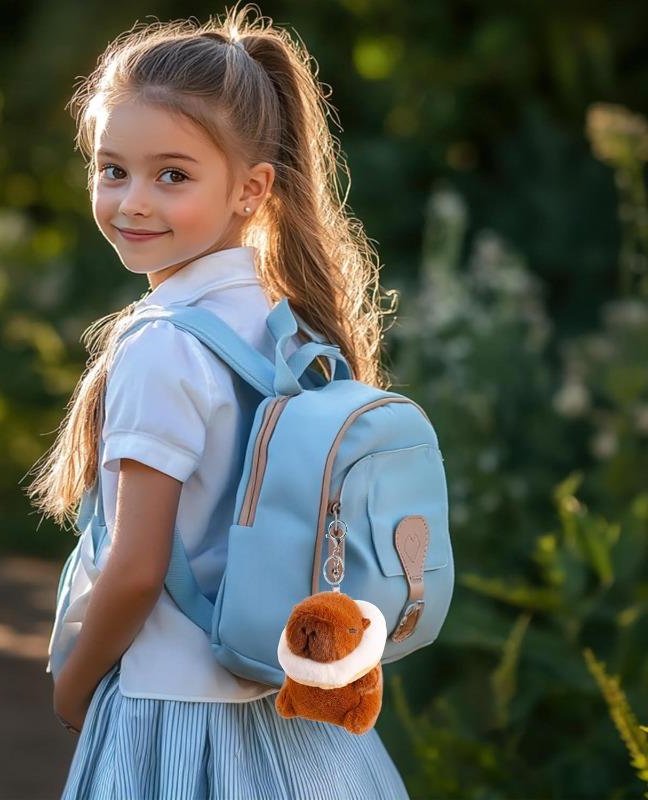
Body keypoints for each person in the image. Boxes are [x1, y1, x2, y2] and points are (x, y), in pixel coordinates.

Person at [26, 3, 407, 798]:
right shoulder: (291, 327)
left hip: (171, 715)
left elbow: (136, 570)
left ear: (251, 188)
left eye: (173, 175)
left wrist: (74, 687)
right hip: (297, 713)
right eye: (112, 168)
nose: (132, 201)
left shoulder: (164, 343)